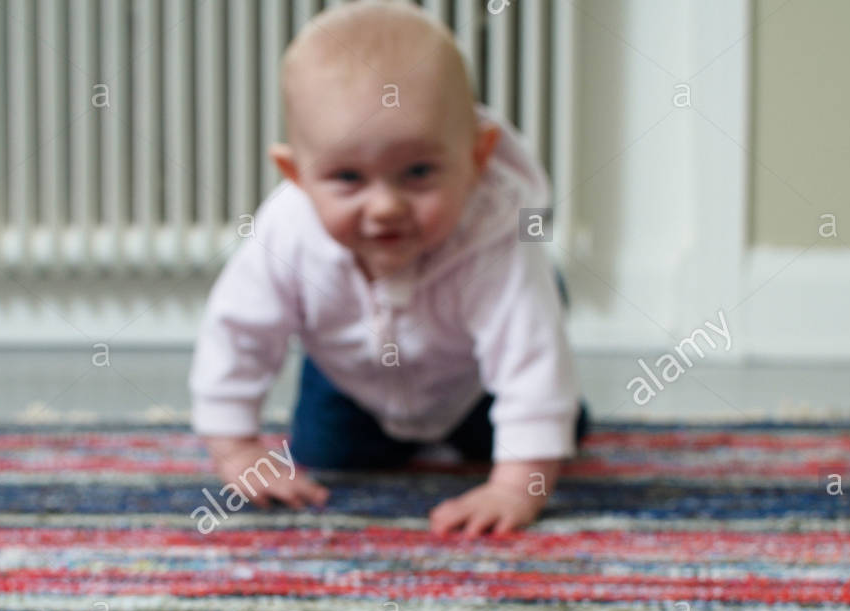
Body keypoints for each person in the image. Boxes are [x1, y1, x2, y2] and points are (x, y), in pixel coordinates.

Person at [190, 0, 587, 536]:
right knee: (331, 454)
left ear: (477, 157)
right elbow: (237, 333)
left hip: (472, 384)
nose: (385, 207)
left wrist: (516, 485)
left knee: (548, 427)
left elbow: (529, 360)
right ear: (296, 174)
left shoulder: (497, 237)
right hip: (353, 379)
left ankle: (551, 423)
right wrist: (236, 449)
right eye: (349, 178)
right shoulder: (285, 233)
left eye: (418, 172)